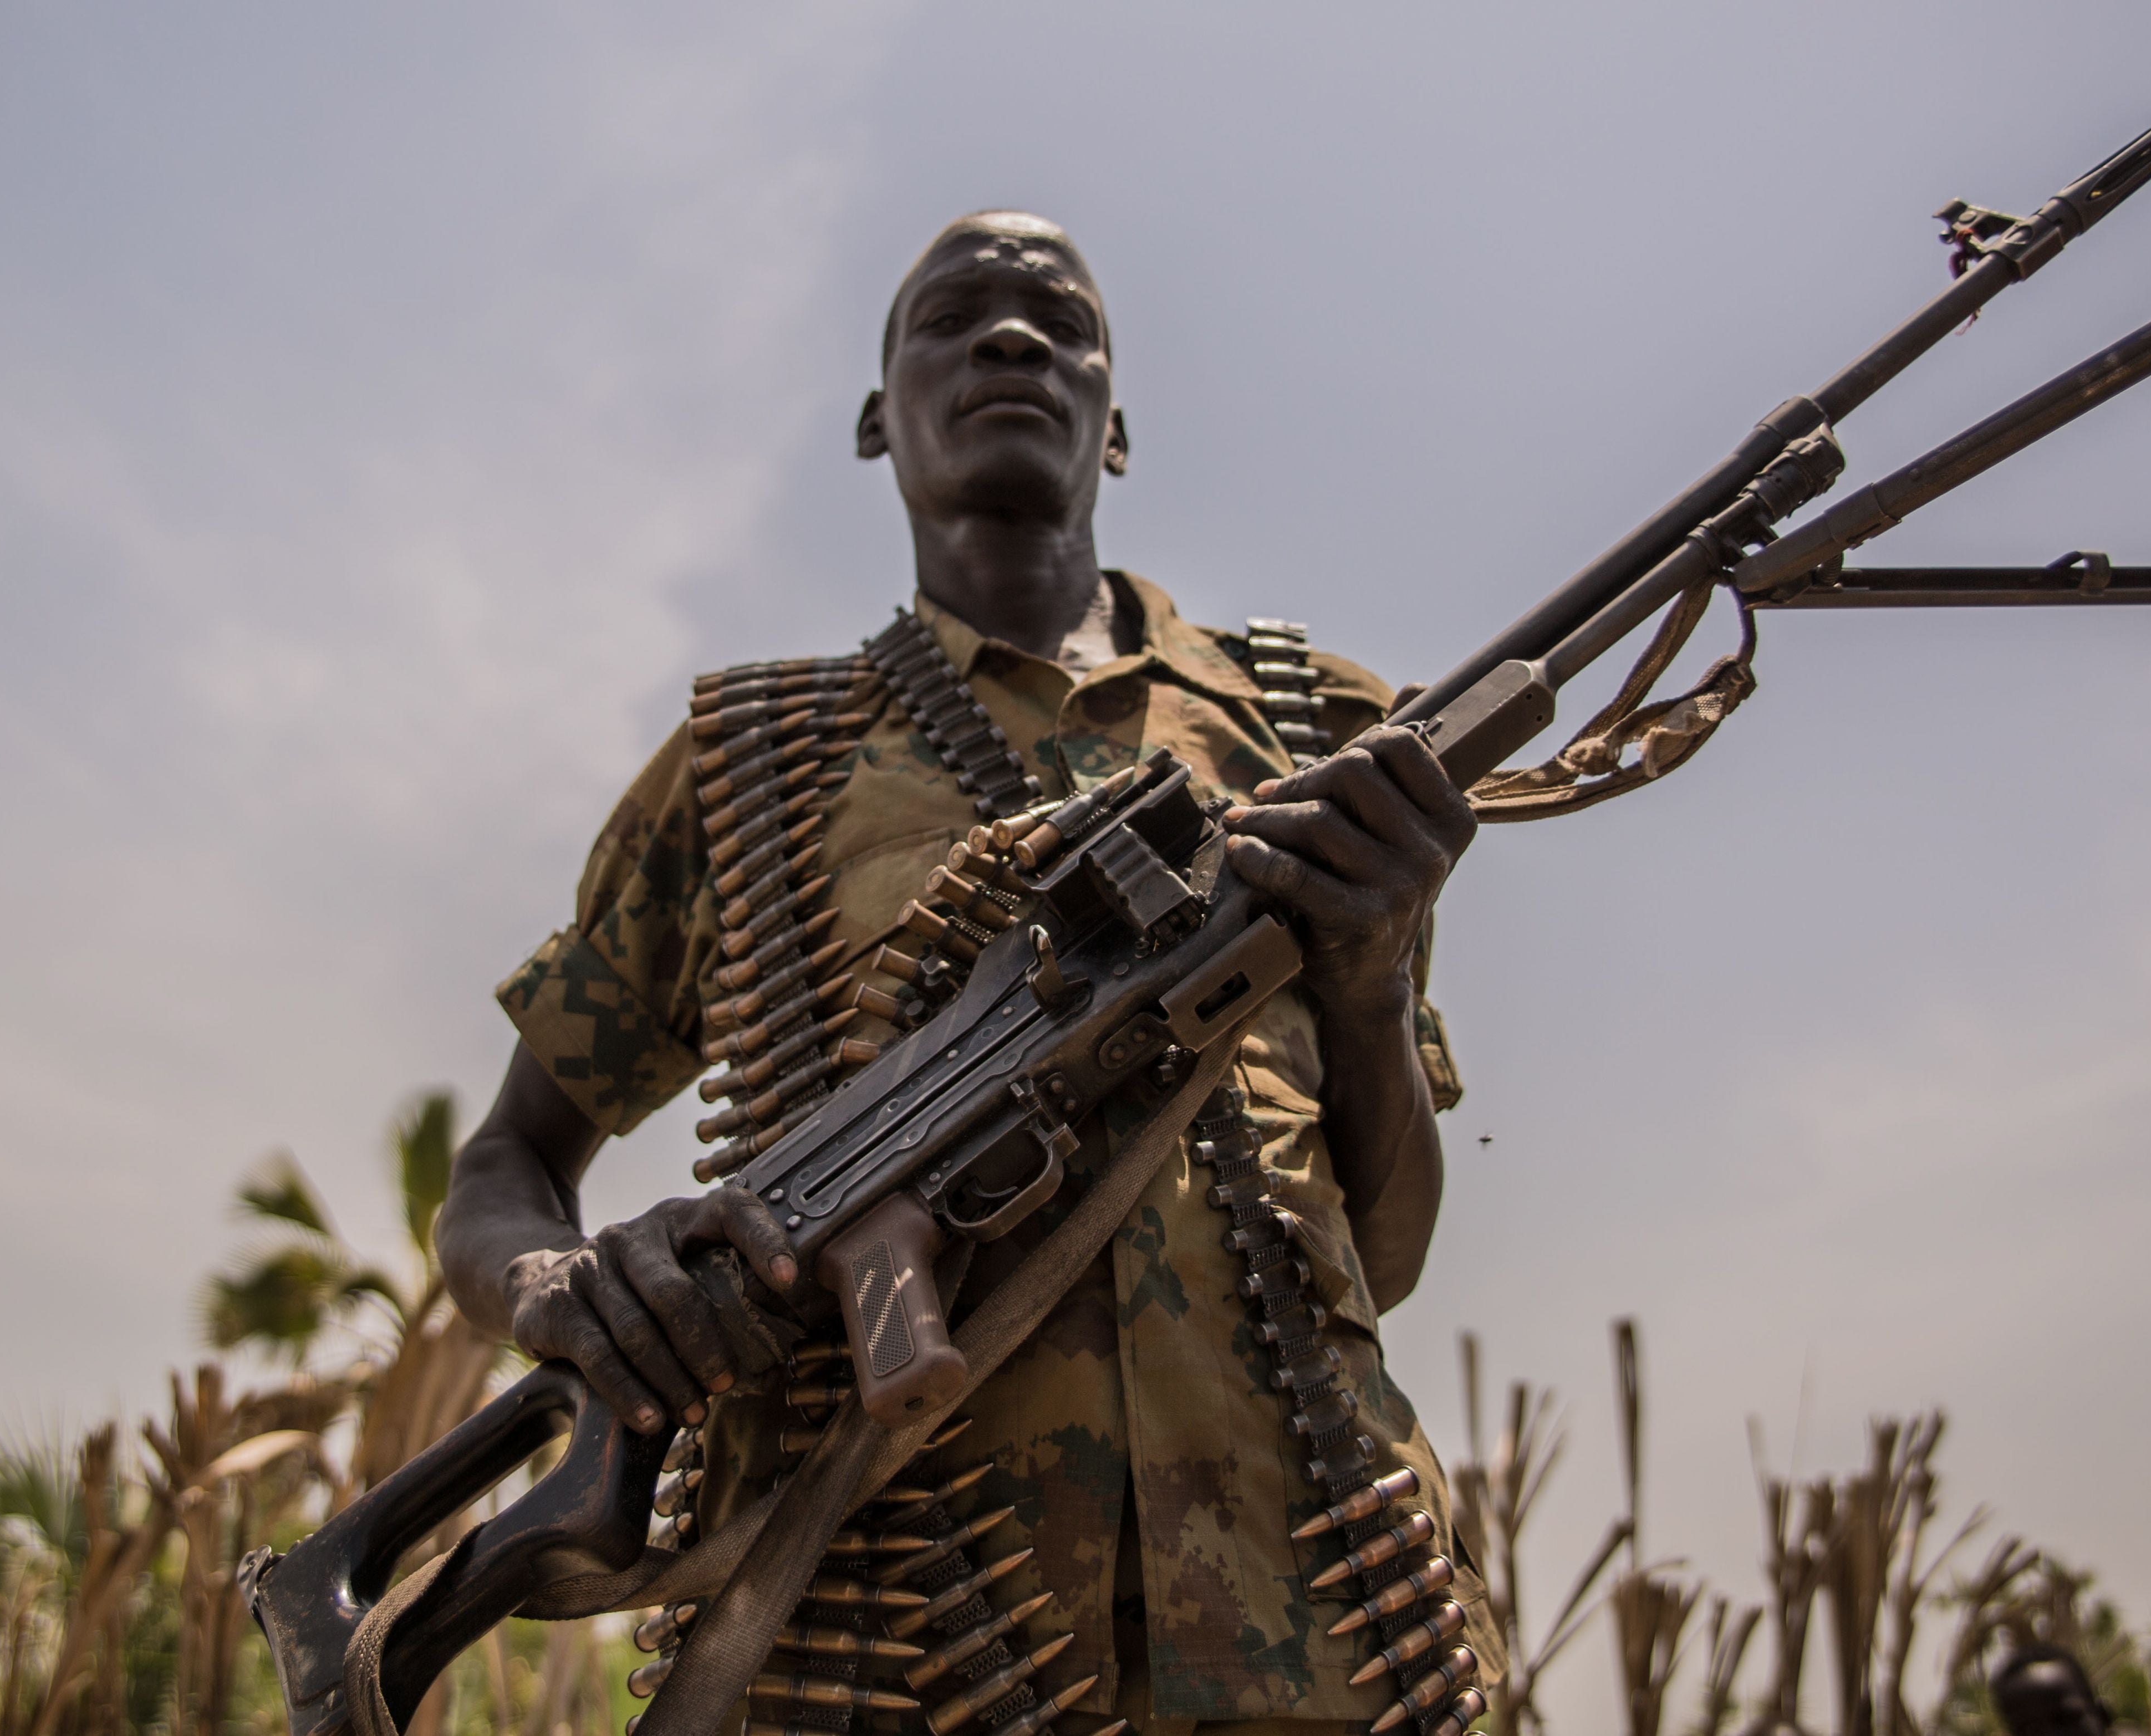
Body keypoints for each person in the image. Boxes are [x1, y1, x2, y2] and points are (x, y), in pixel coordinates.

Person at [434, 211, 1500, 1734]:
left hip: (1320, 1622)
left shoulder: (1318, 726)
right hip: (881, 1642)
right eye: (952, 317)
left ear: (1114, 422)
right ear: (879, 419)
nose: (1011, 339)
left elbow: (1381, 1256)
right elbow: (503, 1166)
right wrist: (570, 1291)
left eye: (1059, 320)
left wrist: (1375, 977)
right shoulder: (750, 760)